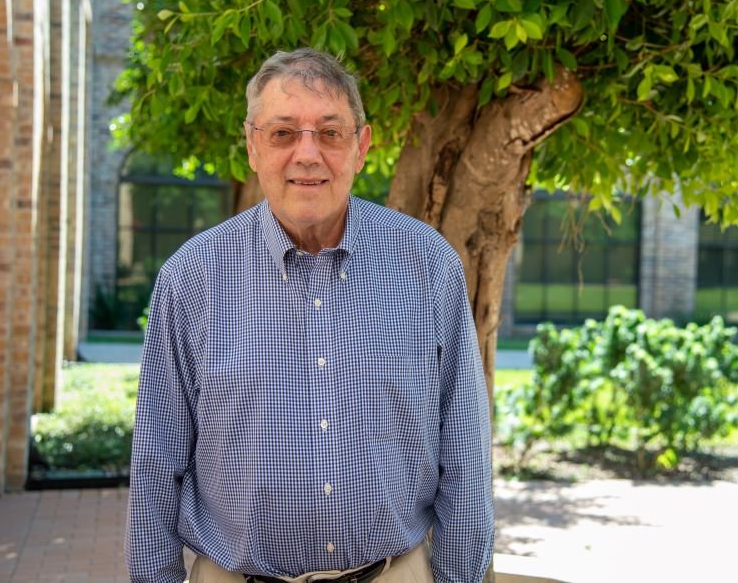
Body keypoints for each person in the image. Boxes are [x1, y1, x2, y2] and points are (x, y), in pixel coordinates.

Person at [126, 47, 494, 583]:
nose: (307, 154)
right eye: (282, 133)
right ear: (252, 146)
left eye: (329, 132)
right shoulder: (192, 277)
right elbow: (157, 456)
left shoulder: (427, 265)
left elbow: (464, 447)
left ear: (361, 147)